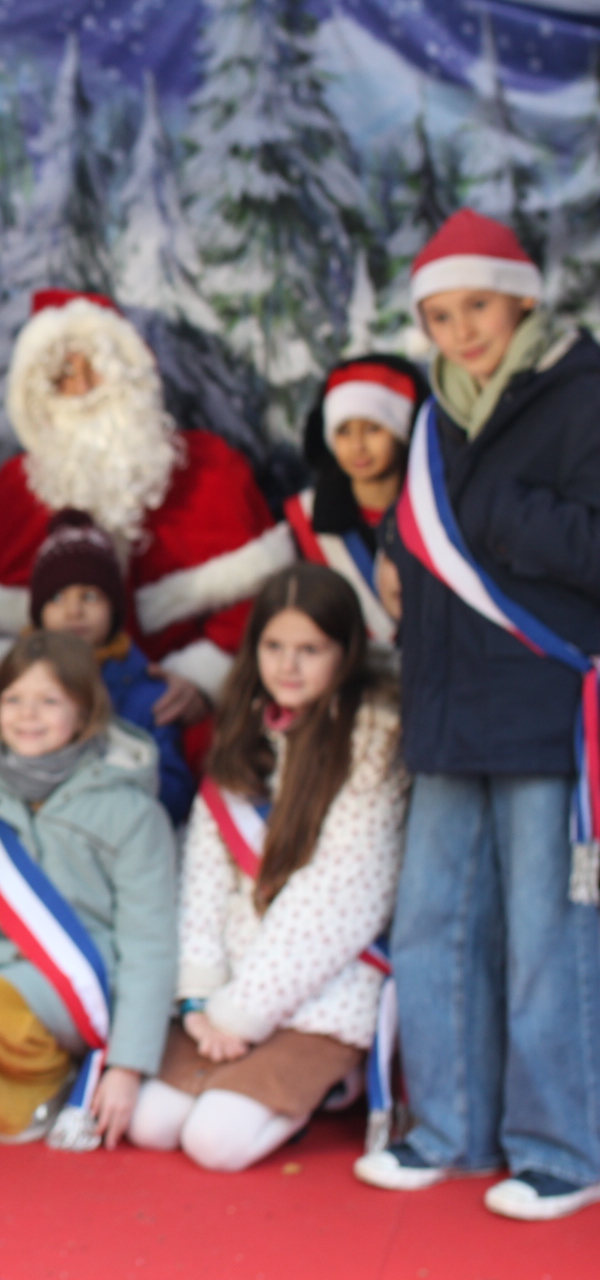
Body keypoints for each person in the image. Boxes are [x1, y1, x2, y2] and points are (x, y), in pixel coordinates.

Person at [359, 210, 600, 1221]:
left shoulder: (585, 396)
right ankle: (450, 1128)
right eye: (440, 315)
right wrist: (386, 539)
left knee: (549, 936)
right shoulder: (432, 418)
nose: (460, 333)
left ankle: (563, 1147)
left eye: (477, 309)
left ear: (524, 298)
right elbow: (423, 525)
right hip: (449, 701)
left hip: (543, 702)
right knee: (436, 925)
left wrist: (500, 512)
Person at [130, 565, 407, 1172]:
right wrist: (200, 996)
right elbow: (204, 875)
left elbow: (339, 896)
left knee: (213, 1143)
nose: (289, 666)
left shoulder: (375, 741)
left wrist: (240, 1013)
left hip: (323, 988)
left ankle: (333, 1084)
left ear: (346, 651)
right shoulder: (245, 730)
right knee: (150, 1125)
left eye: (311, 650)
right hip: (228, 986)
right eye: (274, 647)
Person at [0, 289, 292, 727]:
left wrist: (203, 677)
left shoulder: (208, 471)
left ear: (128, 373)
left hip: (172, 705)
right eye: (63, 374)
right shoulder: (16, 490)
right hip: (44, 713)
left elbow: (263, 601)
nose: (82, 389)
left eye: (94, 368)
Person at [0, 631, 177, 1150]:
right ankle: (38, 1072)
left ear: (86, 709)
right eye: (14, 700)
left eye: (49, 701)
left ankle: (51, 1084)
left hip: (75, 989)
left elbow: (150, 942)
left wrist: (127, 1065)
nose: (28, 715)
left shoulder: (131, 809)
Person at [28, 509, 196, 823]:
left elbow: (176, 793)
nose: (74, 611)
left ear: (114, 609)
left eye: (90, 597)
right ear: (38, 613)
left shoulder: (148, 694)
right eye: (57, 597)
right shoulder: (14, 685)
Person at [282, 356, 427, 648]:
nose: (358, 446)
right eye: (344, 431)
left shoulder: (432, 510)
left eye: (374, 429)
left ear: (403, 432)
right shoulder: (301, 518)